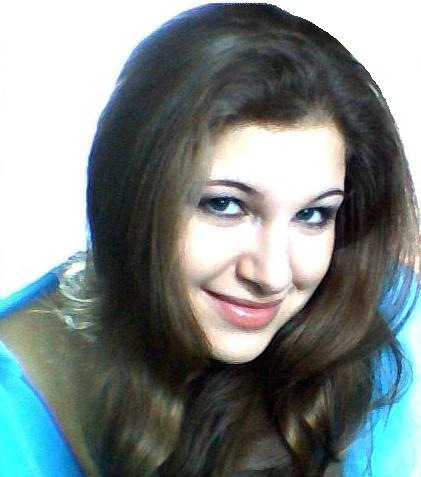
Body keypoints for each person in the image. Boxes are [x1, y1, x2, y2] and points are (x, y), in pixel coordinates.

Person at [0, 3, 419, 476]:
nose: (272, 275)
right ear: (132, 196)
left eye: (312, 214)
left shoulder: (384, 326)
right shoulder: (11, 416)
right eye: (224, 205)